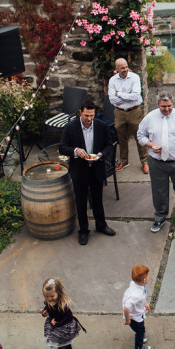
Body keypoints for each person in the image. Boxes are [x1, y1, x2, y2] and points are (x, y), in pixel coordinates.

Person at [59, 99, 116, 245]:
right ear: (80, 113)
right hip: (79, 169)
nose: (89, 119)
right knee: (81, 202)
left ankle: (101, 225)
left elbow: (109, 145)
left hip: (96, 168)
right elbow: (62, 147)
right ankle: (83, 230)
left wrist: (101, 154)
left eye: (92, 116)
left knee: (98, 200)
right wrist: (75, 150)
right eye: (86, 116)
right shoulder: (70, 127)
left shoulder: (102, 126)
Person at [137, 91, 175, 233]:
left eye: (169, 106)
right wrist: (151, 145)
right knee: (159, 192)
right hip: (157, 163)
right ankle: (160, 217)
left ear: (172, 103)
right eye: (163, 106)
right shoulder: (149, 118)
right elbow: (140, 135)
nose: (167, 109)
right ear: (158, 104)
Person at [108, 57, 149, 173]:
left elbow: (136, 96)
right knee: (121, 138)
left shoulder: (134, 78)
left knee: (139, 136)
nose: (125, 69)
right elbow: (112, 100)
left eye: (126, 67)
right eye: (122, 68)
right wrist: (127, 96)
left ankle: (145, 161)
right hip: (119, 112)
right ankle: (124, 161)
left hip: (134, 111)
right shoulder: (112, 80)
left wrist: (119, 94)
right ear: (116, 69)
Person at [41, 277, 83, 349]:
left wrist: (58, 323)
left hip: (65, 327)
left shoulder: (62, 305)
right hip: (56, 326)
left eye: (52, 296)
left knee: (67, 346)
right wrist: (44, 312)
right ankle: (61, 348)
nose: (49, 299)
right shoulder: (48, 301)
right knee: (58, 339)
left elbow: (69, 317)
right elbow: (47, 307)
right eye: (47, 296)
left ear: (58, 293)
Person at [122, 265, 152, 349]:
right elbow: (126, 308)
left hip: (138, 313)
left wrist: (144, 303)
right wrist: (128, 320)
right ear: (144, 280)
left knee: (141, 328)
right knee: (139, 330)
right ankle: (138, 348)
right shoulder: (136, 295)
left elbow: (141, 298)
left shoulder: (135, 284)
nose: (149, 277)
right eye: (148, 276)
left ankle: (142, 335)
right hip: (134, 318)